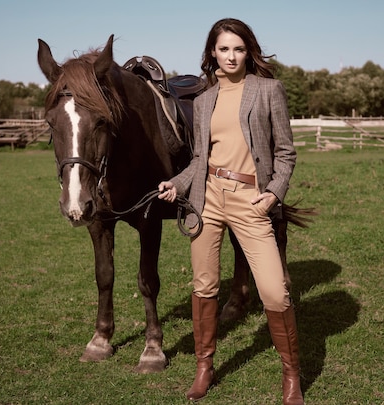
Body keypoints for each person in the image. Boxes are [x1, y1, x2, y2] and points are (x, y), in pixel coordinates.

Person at [158, 18, 304, 404]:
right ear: (212, 53)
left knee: (274, 292)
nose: (231, 56)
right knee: (204, 286)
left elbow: (286, 153)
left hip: (251, 199)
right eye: (224, 49)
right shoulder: (203, 101)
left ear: (247, 51)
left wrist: (273, 193)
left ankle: (291, 375)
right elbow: (199, 161)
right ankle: (204, 367)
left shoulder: (269, 90)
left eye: (238, 48)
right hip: (207, 199)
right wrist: (177, 183)